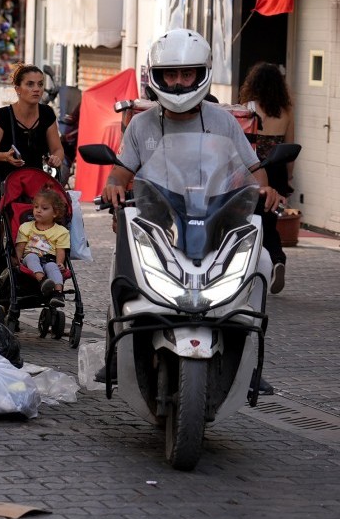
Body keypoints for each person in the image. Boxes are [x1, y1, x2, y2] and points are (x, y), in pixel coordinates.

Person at [100, 29, 282, 393]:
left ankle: (247, 360)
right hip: (160, 221)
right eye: (171, 74)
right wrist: (113, 184)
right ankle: (115, 350)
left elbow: (252, 170)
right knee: (120, 265)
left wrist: (265, 187)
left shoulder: (223, 120)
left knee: (261, 262)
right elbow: (121, 170)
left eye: (187, 74)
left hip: (216, 220)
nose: (179, 82)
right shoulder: (141, 123)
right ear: (158, 75)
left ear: (202, 74)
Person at [0, 64, 64, 225]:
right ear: (17, 88)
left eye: (40, 84)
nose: (37, 89)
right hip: (6, 182)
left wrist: (56, 158)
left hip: (35, 183)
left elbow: (57, 149)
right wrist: (5, 156)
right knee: (6, 229)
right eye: (30, 84)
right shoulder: (3, 116)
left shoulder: (47, 113)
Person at [239, 62, 295, 294]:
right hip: (278, 171)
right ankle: (277, 259)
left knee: (250, 221)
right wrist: (288, 179)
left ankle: (250, 270)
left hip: (254, 171)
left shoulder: (248, 108)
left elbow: (239, 145)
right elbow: (291, 147)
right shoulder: (287, 111)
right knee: (270, 222)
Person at [16, 187, 70, 298]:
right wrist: (16, 260)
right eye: (36, 207)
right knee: (32, 257)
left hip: (49, 259)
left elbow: (60, 250)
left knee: (52, 267)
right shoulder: (26, 227)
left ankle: (58, 293)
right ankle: (43, 280)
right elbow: (20, 247)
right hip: (30, 258)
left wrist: (60, 263)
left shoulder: (61, 231)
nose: (38, 210)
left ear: (55, 213)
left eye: (44, 208)